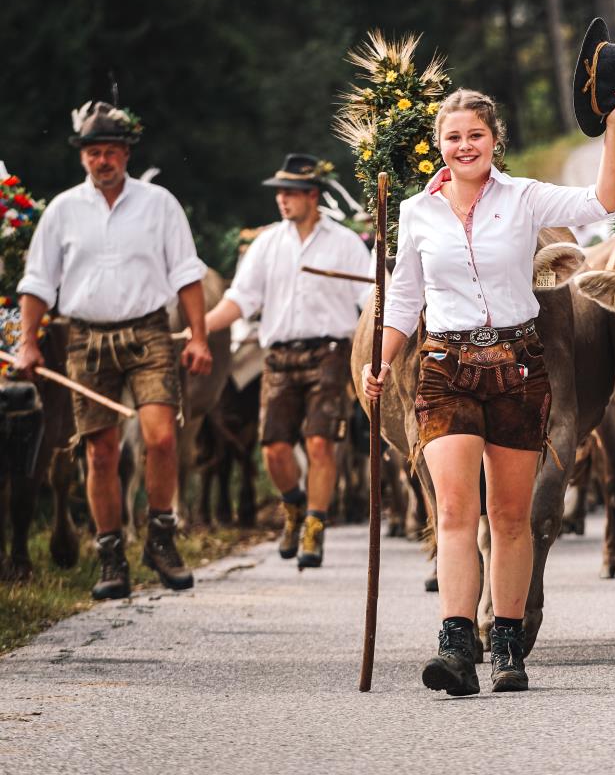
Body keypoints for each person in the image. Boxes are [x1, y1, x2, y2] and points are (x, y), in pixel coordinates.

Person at [363, 73, 615, 695]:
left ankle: (508, 645)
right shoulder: (415, 212)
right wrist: (380, 361)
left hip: (517, 367)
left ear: (496, 141)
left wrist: (614, 131)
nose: (466, 146)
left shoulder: (523, 199)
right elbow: (404, 300)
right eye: (454, 137)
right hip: (445, 370)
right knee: (457, 513)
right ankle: (456, 645)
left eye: (477, 135)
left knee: (509, 518)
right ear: (439, 145)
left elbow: (602, 204)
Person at [15, 101, 212, 599]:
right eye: (93, 153)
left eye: (111, 152)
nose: (102, 161)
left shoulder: (159, 203)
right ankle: (110, 555)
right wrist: (26, 344)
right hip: (86, 337)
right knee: (100, 453)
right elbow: (37, 282)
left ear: (126, 153)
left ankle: (161, 536)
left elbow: (186, 273)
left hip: (148, 333)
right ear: (83, 157)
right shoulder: (62, 210)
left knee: (161, 438)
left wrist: (200, 337)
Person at [206, 154, 371, 567]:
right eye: (279, 193)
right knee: (274, 449)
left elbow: (368, 300)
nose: (282, 200)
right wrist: (199, 328)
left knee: (319, 441)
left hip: (330, 354)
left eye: (290, 193)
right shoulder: (267, 245)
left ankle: (314, 526)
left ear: (312, 195)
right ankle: (294, 506)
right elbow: (241, 300)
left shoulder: (345, 243)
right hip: (279, 355)